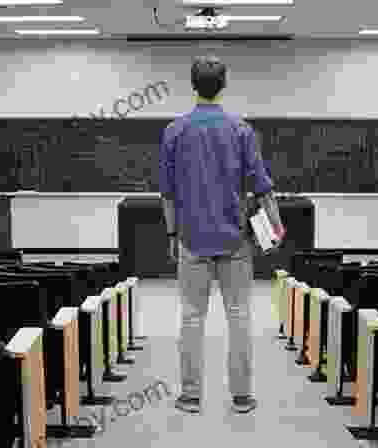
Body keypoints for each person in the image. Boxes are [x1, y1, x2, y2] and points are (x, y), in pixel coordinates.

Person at [159, 55, 285, 414]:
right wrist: (275, 231)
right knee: (240, 315)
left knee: (191, 317)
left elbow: (167, 194)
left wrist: (171, 234)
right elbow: (263, 189)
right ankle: (242, 396)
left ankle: (190, 395)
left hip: (190, 239)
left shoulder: (174, 131)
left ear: (194, 85)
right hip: (235, 241)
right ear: (224, 84)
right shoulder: (242, 130)